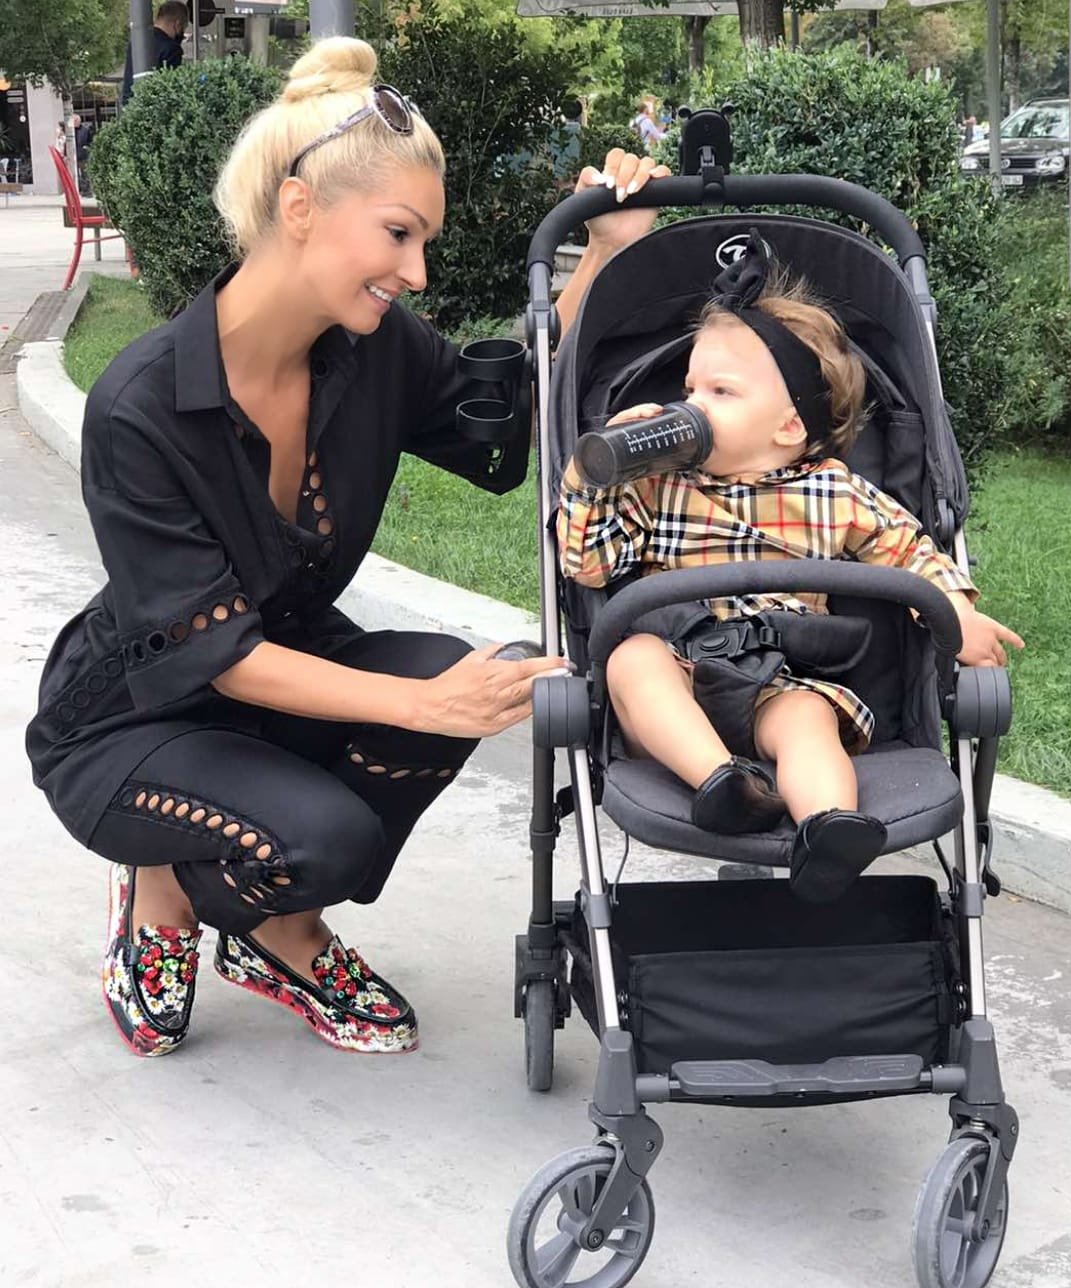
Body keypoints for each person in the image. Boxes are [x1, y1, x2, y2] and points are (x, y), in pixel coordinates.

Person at [26, 36, 669, 1060]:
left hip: (286, 679)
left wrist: (603, 254)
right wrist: (423, 703)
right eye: (399, 234)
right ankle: (166, 891)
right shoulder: (139, 407)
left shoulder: (371, 351)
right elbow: (219, 657)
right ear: (299, 208)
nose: (416, 272)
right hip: (133, 721)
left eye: (424, 243)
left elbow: (501, 426)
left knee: (468, 679)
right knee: (340, 820)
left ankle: (276, 928)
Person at [557, 247, 1023, 905]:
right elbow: (589, 563)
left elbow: (907, 549)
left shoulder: (832, 492)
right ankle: (724, 783)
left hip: (777, 677)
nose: (691, 406)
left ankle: (829, 830)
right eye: (689, 390)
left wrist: (954, 610)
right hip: (680, 673)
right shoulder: (658, 487)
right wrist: (592, 477)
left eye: (720, 392)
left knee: (808, 719)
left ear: (789, 426)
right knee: (632, 659)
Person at [120, 0, 187, 106]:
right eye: (183, 28)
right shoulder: (172, 49)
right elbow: (172, 92)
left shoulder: (136, 42)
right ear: (177, 24)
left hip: (130, 107)